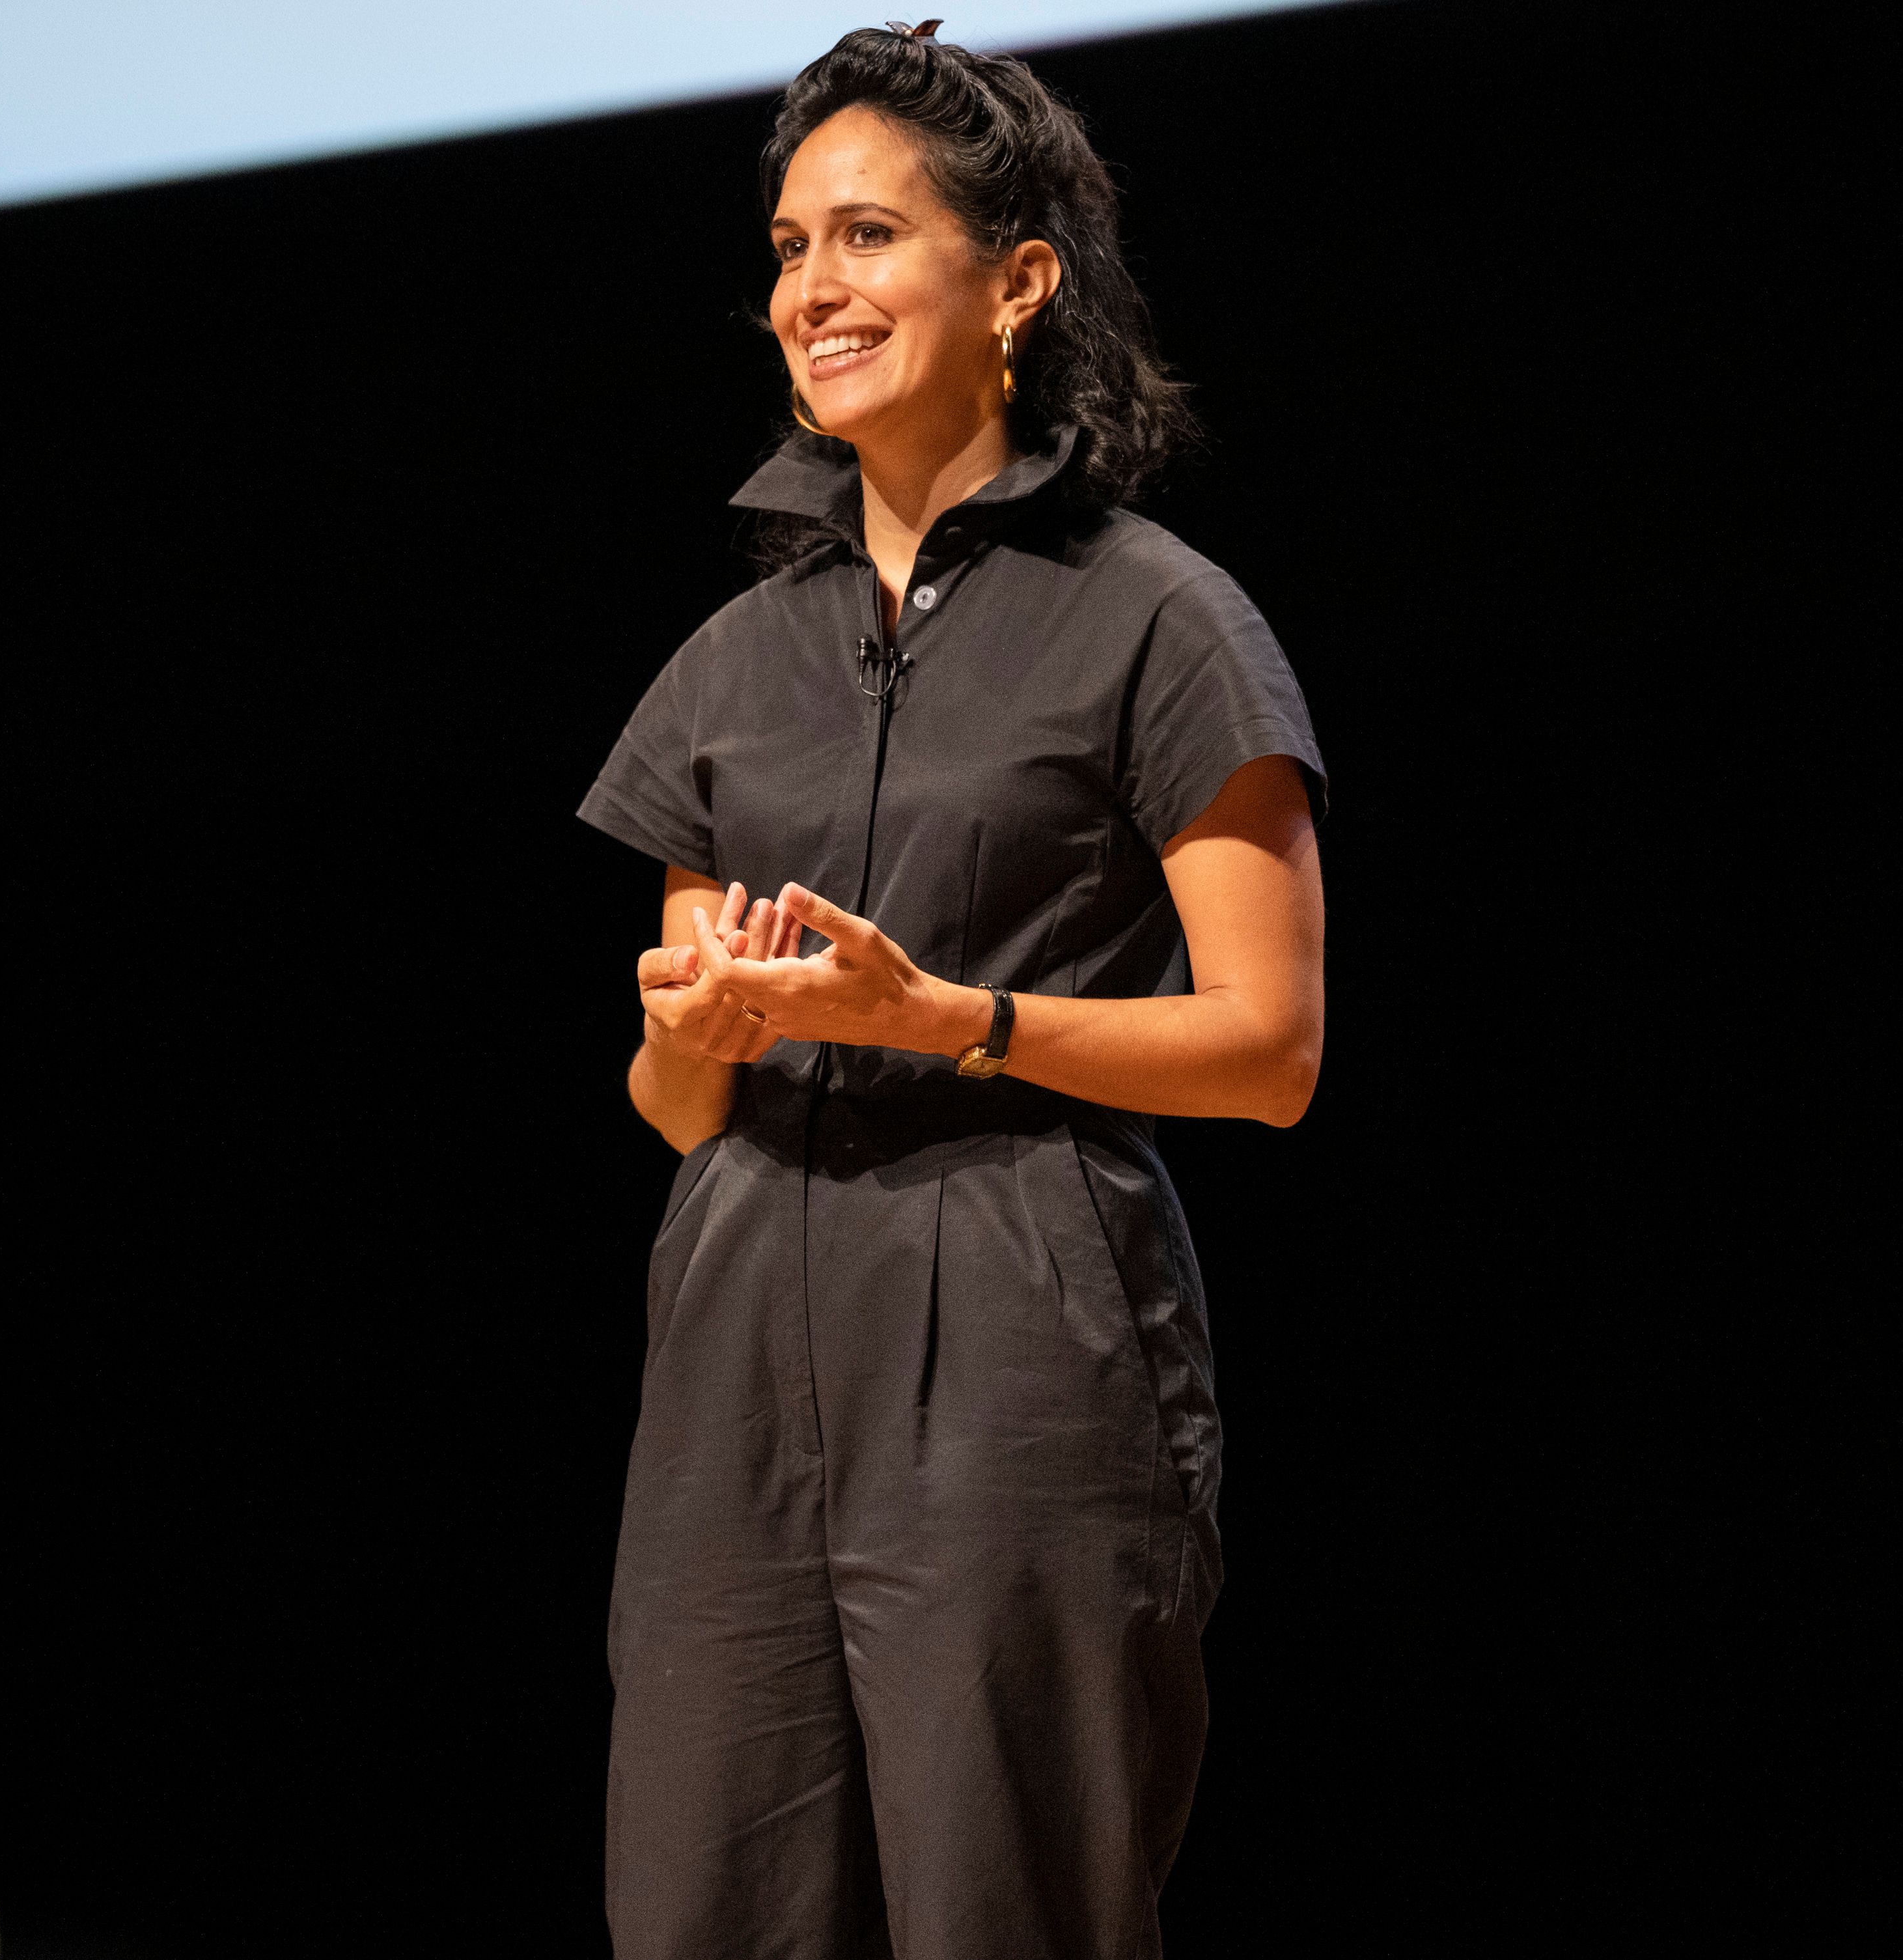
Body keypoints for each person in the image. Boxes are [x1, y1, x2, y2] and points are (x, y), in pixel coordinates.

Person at [575, 25, 1326, 1957]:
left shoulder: (1158, 616)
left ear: (1017, 279)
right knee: (705, 1907)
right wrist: (691, 1034)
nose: (813, 288)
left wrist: (958, 1020)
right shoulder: (732, 663)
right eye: (788, 247)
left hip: (1021, 1330)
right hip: (737, 1341)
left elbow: (1272, 1049)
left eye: (869, 235)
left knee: (1009, 1906)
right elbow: (673, 1106)